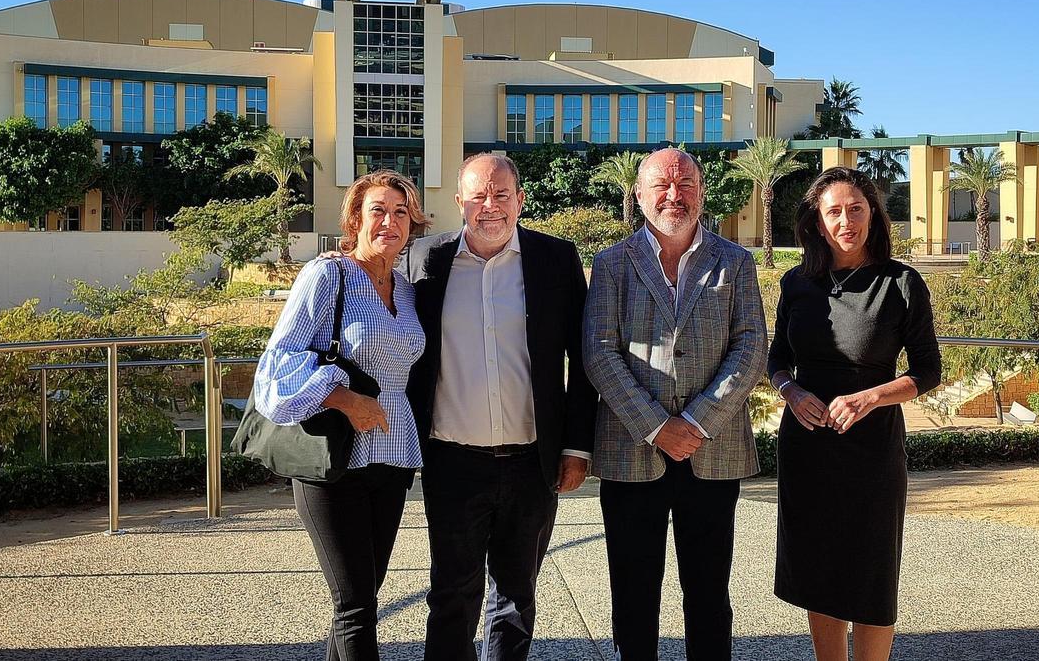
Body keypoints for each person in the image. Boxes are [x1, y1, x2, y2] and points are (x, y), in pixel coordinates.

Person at [403, 153, 597, 661]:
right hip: (451, 459)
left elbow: (584, 359)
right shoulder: (423, 259)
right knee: (451, 595)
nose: (491, 206)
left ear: (519, 199)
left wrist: (576, 447)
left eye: (501, 194)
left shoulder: (556, 259)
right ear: (460, 202)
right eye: (479, 196)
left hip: (533, 461)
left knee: (515, 598)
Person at [583, 147, 768, 661]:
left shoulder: (735, 262)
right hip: (632, 451)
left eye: (685, 183)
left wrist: (694, 422)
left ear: (702, 193)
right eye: (661, 184)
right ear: (638, 194)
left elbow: (751, 347)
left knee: (709, 594)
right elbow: (599, 352)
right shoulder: (612, 264)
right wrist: (657, 426)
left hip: (711, 451)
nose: (673, 194)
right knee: (633, 594)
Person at [253, 170, 429, 659]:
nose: (389, 222)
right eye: (378, 210)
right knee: (354, 607)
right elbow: (278, 364)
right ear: (356, 218)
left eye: (401, 213)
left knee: (362, 601)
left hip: (393, 460)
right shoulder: (327, 274)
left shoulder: (409, 290)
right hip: (335, 461)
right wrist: (346, 399)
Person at [768, 167, 941, 661]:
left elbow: (928, 371)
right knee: (817, 571)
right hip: (807, 446)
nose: (846, 221)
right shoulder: (796, 284)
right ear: (817, 223)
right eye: (834, 211)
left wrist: (870, 398)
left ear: (873, 214)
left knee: (870, 573)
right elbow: (777, 359)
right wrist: (791, 392)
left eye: (856, 208)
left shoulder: (902, 283)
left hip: (872, 451)